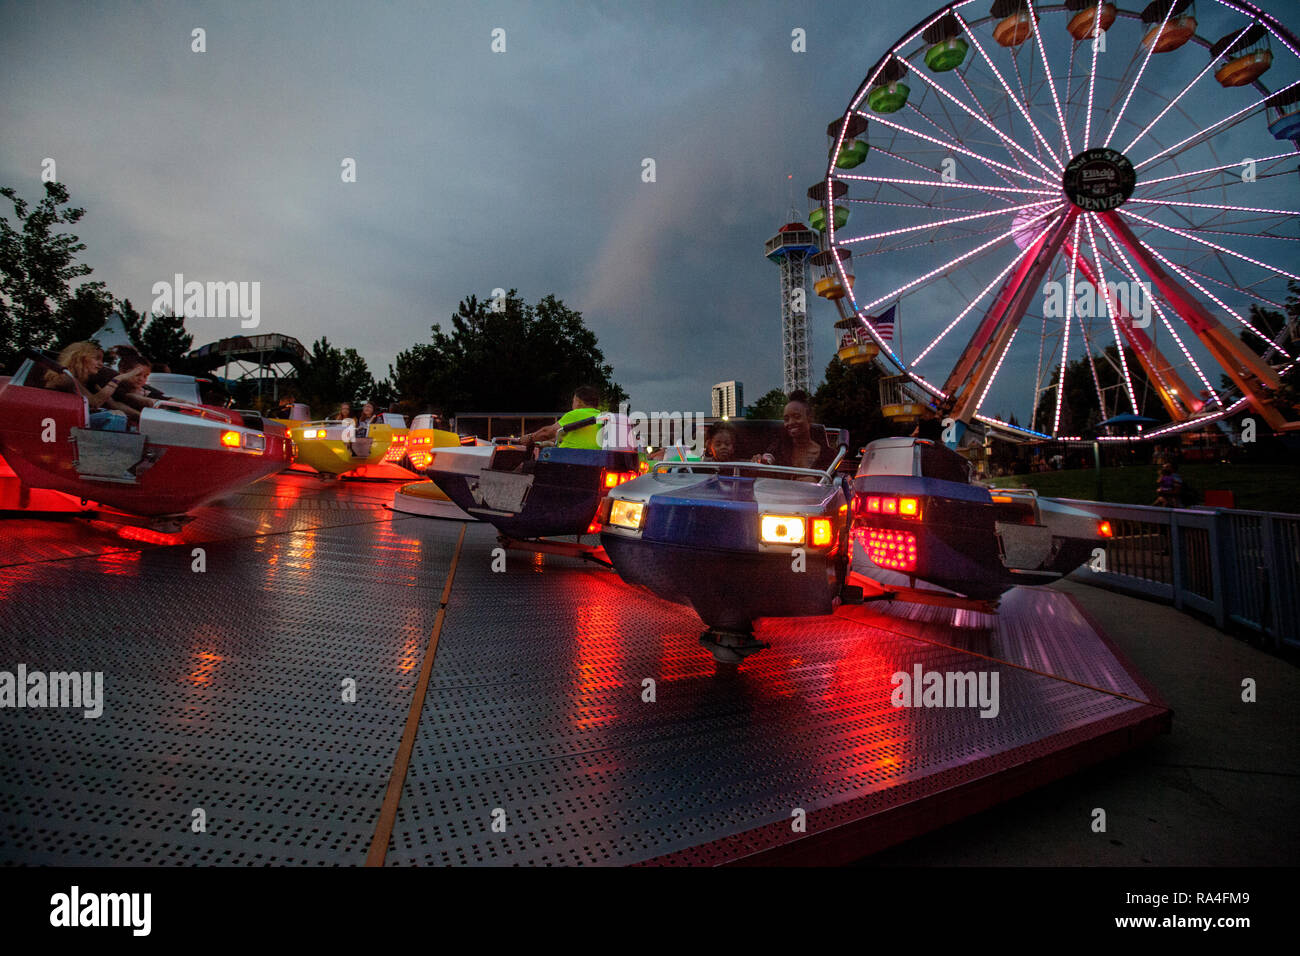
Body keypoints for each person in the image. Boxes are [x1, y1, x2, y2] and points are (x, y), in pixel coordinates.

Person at [42, 341, 132, 431]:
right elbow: (95, 402)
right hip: (56, 424)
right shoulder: (65, 378)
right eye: (97, 359)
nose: (101, 364)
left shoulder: (77, 379)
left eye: (102, 360)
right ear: (80, 358)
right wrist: (118, 378)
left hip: (64, 421)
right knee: (115, 417)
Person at [751, 391, 837, 471]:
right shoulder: (779, 448)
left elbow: (830, 482)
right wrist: (760, 461)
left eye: (797, 416)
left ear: (809, 418)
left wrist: (815, 479)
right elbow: (768, 459)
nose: (791, 423)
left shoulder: (827, 455)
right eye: (786, 419)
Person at [521, 386, 603, 449]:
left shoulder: (576, 414)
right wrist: (550, 443)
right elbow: (580, 440)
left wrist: (529, 438)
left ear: (578, 402)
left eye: (573, 401)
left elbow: (547, 432)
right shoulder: (601, 416)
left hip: (569, 461)